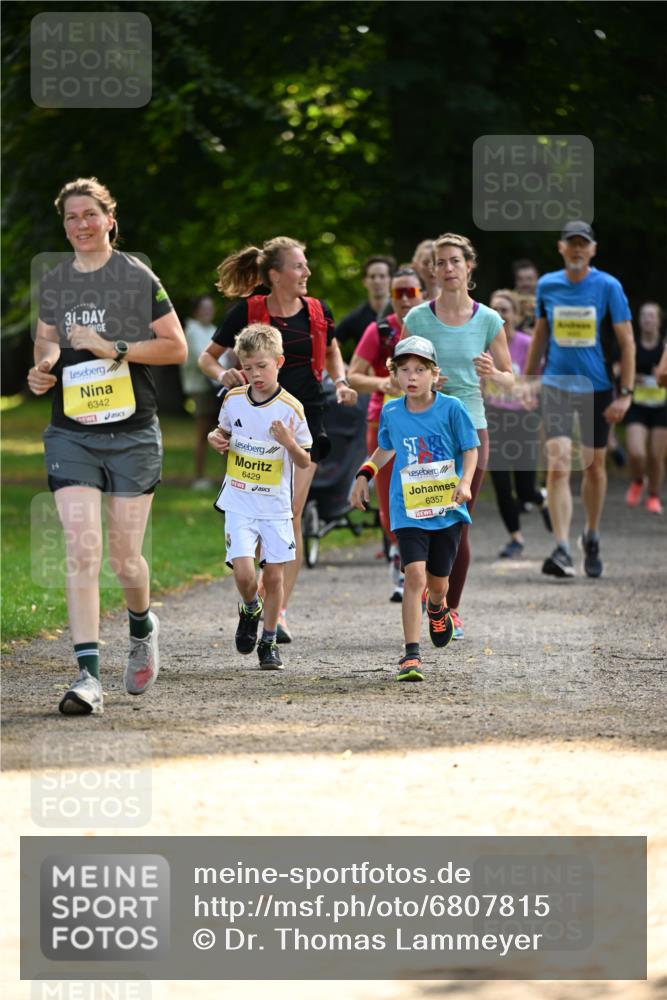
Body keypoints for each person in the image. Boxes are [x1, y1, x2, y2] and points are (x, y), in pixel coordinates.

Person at [27, 177, 187, 716]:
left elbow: (176, 347)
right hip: (71, 431)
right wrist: (45, 367)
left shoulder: (135, 276)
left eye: (89, 215)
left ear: (109, 219)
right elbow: (46, 339)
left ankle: (142, 626)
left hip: (132, 433)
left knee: (124, 560)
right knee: (82, 549)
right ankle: (87, 677)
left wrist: (114, 347)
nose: (81, 225)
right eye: (71, 217)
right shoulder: (55, 281)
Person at [198, 236, 357, 643]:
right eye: (299, 266)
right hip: (251, 426)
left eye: (305, 266)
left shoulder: (319, 311)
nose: (306, 273)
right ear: (275, 275)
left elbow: (334, 351)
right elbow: (207, 357)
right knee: (255, 510)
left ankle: (277, 610)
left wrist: (338, 381)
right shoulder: (248, 311)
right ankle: (252, 598)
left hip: (303, 420)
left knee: (287, 514)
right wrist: (224, 375)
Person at [402, 233, 514, 639]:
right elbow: (401, 374)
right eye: (440, 262)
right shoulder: (417, 319)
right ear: (432, 269)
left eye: (455, 262)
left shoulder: (488, 320)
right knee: (422, 517)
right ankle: (428, 592)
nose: (447, 269)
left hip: (470, 427)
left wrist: (493, 373)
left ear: (469, 267)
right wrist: (423, 380)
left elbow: (510, 380)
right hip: (425, 430)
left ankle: (450, 608)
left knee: (456, 522)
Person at [351, 336, 478, 682]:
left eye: (420, 370)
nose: (412, 376)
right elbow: (385, 449)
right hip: (408, 508)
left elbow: (470, 449)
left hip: (446, 508)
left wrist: (464, 482)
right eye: (404, 369)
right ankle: (411, 655)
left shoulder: (452, 408)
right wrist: (365, 473)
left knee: (438, 584)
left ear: (434, 374)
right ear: (394, 374)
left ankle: (438, 608)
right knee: (414, 576)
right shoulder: (391, 411)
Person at [523, 220, 635, 578]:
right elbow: (540, 335)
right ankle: (561, 548)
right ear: (561, 248)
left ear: (592, 249)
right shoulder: (548, 285)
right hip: (556, 384)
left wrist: (626, 394)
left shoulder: (608, 286)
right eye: (570, 244)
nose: (576, 249)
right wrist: (528, 381)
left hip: (597, 387)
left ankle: (591, 534)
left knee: (593, 467)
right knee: (557, 465)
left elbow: (627, 342)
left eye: (582, 244)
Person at [207, 323, 312, 669]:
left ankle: (268, 642)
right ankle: (250, 607)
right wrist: (215, 439)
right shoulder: (234, 399)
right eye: (247, 367)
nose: (255, 374)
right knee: (243, 573)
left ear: (279, 362)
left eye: (261, 366)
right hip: (239, 500)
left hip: (274, 506)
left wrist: (289, 442)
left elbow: (304, 459)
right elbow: (222, 432)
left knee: (274, 577)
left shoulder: (291, 409)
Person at [347, 267, 424, 601]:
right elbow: (352, 375)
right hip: (384, 422)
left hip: (425, 423)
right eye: (399, 293)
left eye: (411, 293)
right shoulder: (379, 330)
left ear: (423, 294)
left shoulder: (432, 328)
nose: (405, 300)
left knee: (422, 493)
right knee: (390, 497)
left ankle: (419, 568)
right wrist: (382, 382)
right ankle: (399, 556)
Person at [485, 289, 552, 557]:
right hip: (493, 416)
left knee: (524, 489)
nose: (500, 315)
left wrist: (527, 388)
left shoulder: (527, 343)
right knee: (501, 483)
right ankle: (515, 538)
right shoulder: (483, 344)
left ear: (515, 314)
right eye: (495, 310)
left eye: (505, 310)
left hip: (522, 417)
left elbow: (543, 377)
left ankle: (541, 500)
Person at [624, 302, 666, 514]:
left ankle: (653, 495)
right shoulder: (632, 344)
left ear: (659, 320)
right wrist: (632, 377)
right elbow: (618, 370)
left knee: (657, 456)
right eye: (644, 315)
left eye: (652, 316)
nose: (648, 319)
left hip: (662, 407)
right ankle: (639, 480)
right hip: (637, 405)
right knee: (637, 453)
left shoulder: (664, 346)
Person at [179, 294, 219, 489]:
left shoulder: (212, 330)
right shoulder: (192, 330)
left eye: (210, 308)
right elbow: (200, 358)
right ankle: (199, 476)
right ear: (196, 311)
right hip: (201, 388)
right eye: (204, 308)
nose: (207, 312)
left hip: (216, 386)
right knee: (203, 432)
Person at [334, 255, 396, 358]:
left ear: (391, 280)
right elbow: (329, 349)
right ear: (365, 281)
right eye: (372, 277)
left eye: (382, 276)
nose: (377, 281)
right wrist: (345, 369)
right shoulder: (355, 317)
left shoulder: (403, 313)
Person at [512, 258, 540, 332]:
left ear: (537, 280)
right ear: (516, 281)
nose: (525, 283)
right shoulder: (507, 304)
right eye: (521, 279)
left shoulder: (545, 303)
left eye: (529, 279)